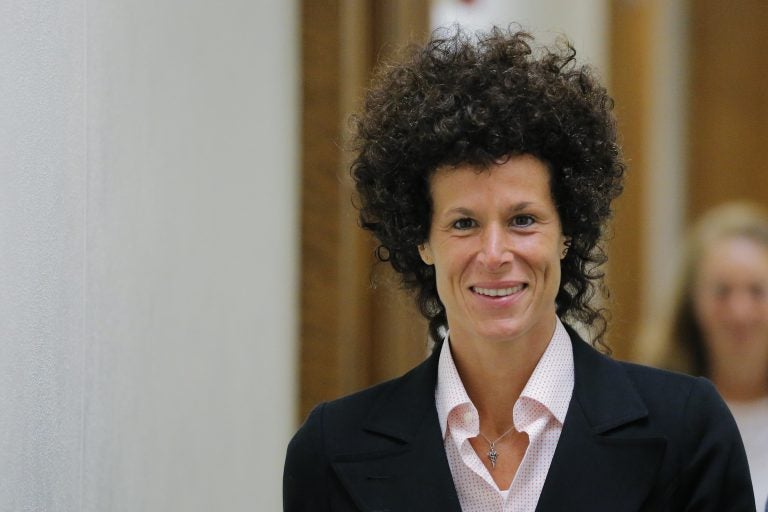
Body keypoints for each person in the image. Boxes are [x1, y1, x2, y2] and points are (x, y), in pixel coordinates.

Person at [284, 26, 755, 511]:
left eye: (522, 220)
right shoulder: (331, 451)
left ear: (567, 231)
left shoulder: (686, 429)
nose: (494, 254)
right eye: (464, 223)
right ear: (421, 240)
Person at [638, 201, 768, 511]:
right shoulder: (651, 416)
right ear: (691, 304)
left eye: (757, 291)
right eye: (722, 292)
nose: (740, 312)